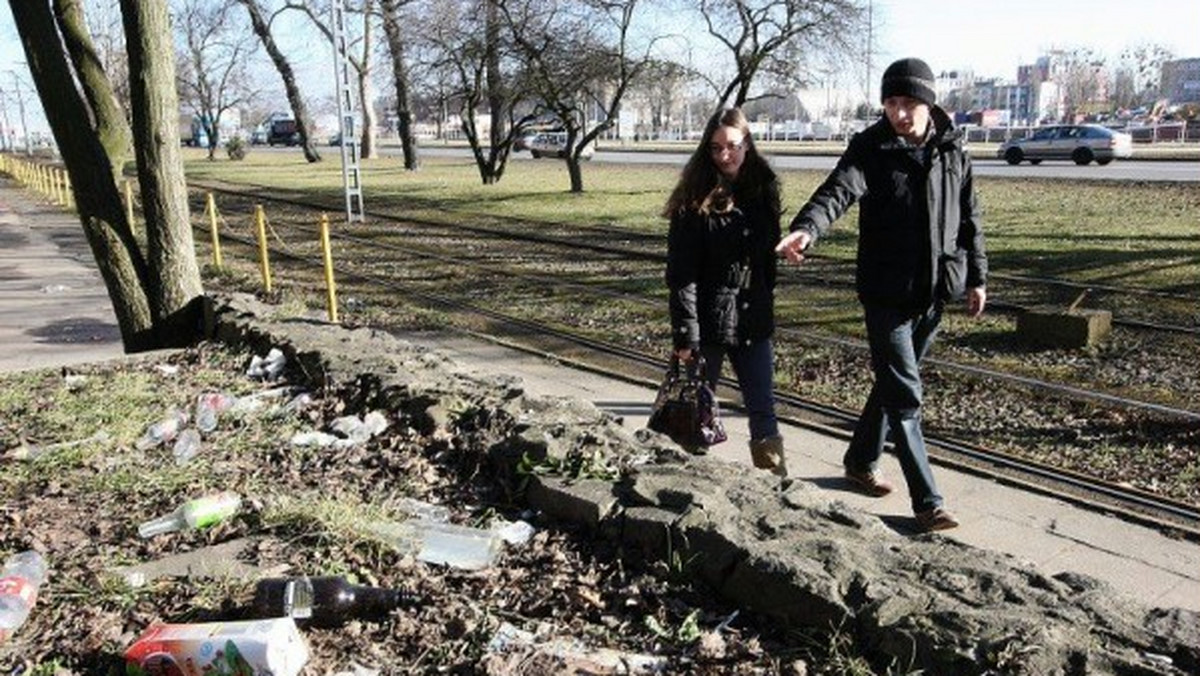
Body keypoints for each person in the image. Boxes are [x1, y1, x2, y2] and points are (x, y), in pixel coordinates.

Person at [775, 57, 988, 531]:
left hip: (936, 291)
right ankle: (927, 501)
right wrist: (807, 229)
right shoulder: (870, 148)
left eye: (908, 103)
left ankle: (859, 460)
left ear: (929, 104)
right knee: (906, 394)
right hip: (885, 293)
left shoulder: (954, 149)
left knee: (892, 384)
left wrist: (977, 277)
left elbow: (970, 219)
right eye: (891, 102)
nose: (899, 112)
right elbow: (837, 191)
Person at [663, 107, 787, 477]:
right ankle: (688, 481)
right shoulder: (694, 199)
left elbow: (767, 259)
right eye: (715, 148)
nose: (724, 155)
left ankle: (777, 488)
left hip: (753, 319)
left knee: (763, 408)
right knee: (697, 409)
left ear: (747, 144)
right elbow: (682, 275)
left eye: (732, 146)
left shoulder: (764, 190)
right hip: (709, 323)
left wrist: (767, 292)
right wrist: (685, 334)